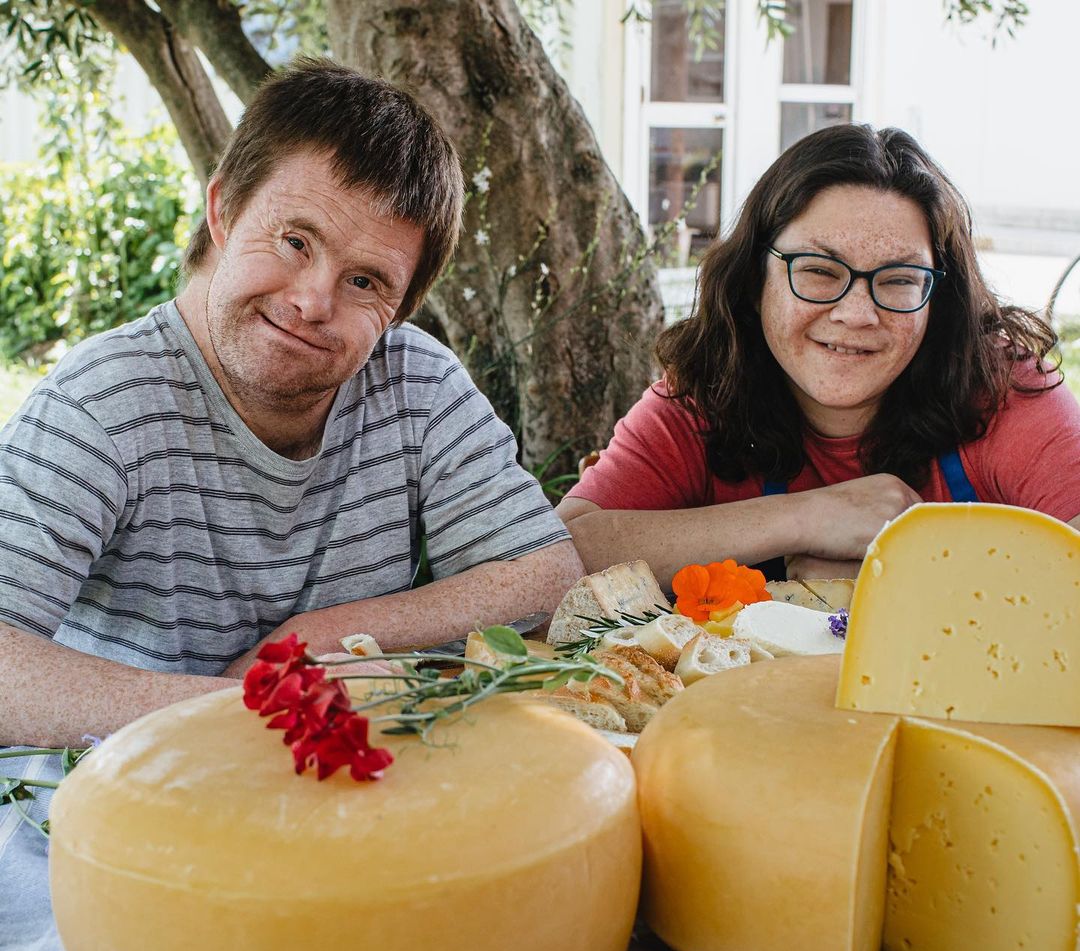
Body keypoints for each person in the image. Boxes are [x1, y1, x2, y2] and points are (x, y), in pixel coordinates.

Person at [0, 59, 584, 747]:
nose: (313, 302)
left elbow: (546, 574)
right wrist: (257, 708)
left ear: (401, 309)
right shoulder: (101, 404)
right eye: (295, 240)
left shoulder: (415, 383)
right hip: (116, 808)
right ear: (223, 211)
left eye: (365, 280)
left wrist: (321, 635)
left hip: (333, 791)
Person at [558, 123, 1080, 587]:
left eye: (899, 280)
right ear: (754, 278)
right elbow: (556, 554)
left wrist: (908, 567)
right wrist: (806, 518)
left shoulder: (1002, 387)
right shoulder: (703, 393)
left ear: (938, 298)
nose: (856, 314)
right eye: (818, 270)